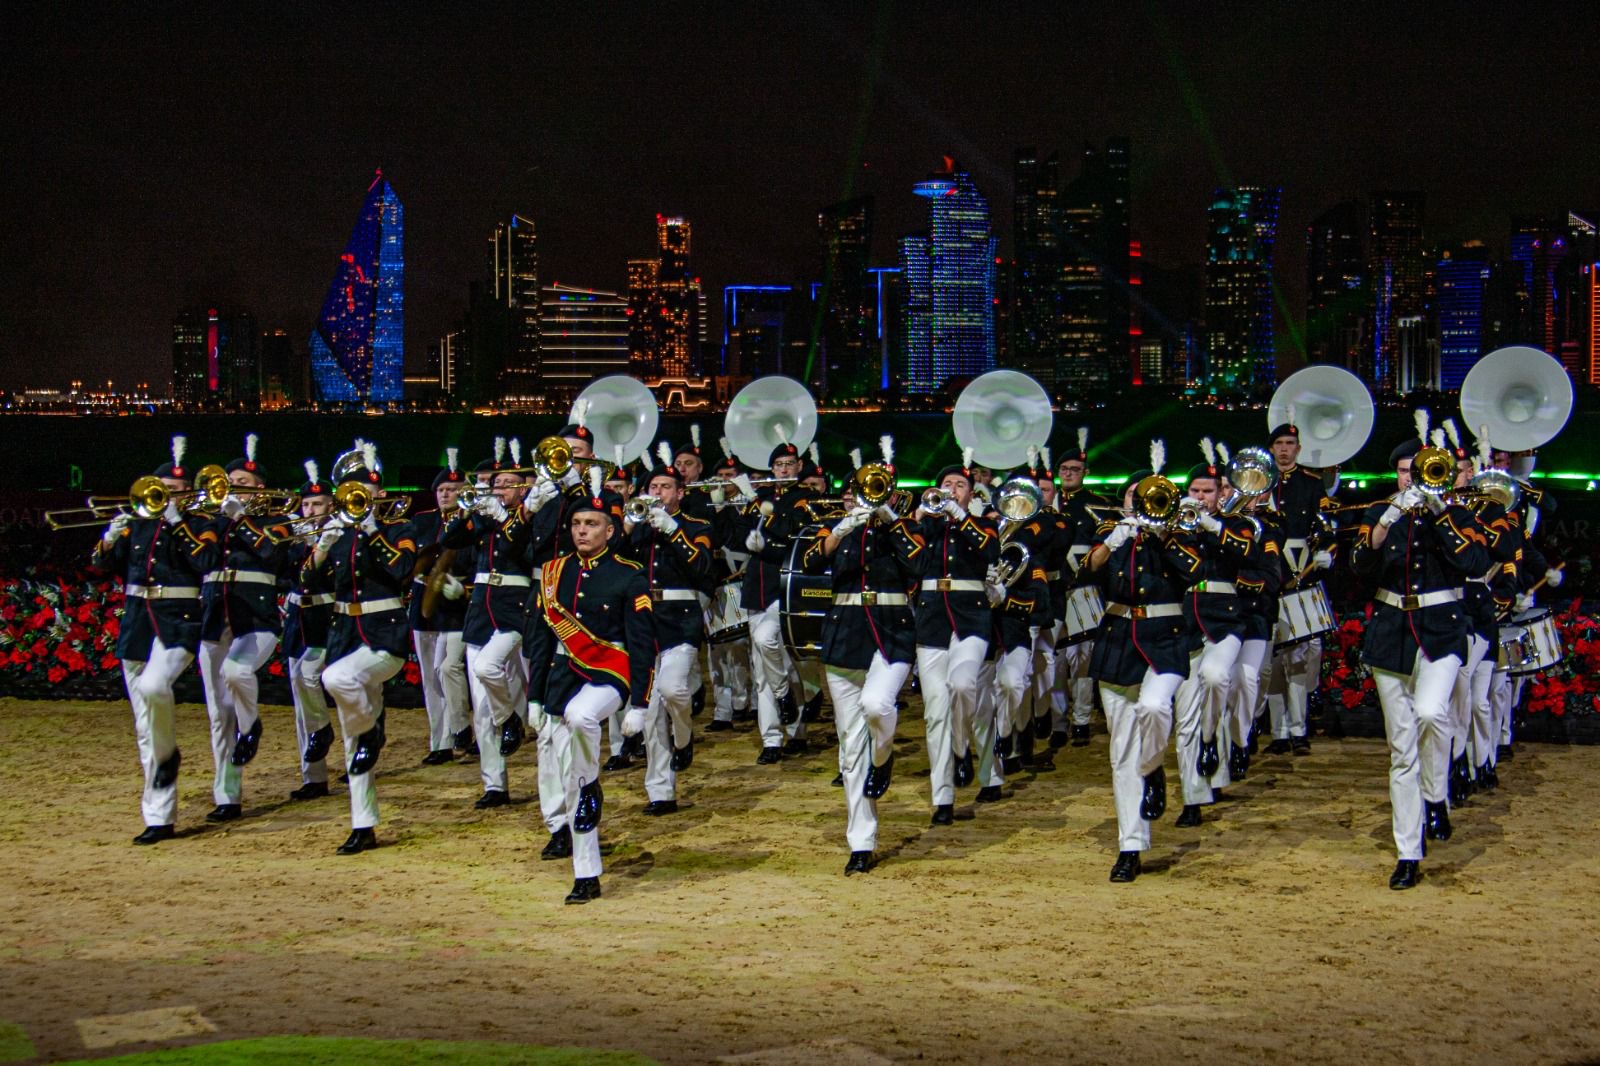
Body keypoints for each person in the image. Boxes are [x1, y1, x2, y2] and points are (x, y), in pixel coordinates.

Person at [1350, 429, 1492, 890]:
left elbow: (1475, 563)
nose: (1411, 478)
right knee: (1401, 749)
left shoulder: (1457, 514)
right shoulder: (1379, 512)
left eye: (1420, 471)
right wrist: (1388, 518)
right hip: (1391, 633)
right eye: (1405, 472)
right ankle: (1408, 852)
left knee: (1431, 713)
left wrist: (1439, 513)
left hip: (1442, 629)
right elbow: (1359, 565)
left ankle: (1435, 794)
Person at [526, 470, 656, 903]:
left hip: (609, 674)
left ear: (610, 531)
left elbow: (642, 644)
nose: (583, 530)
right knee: (570, 777)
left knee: (582, 716)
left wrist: (640, 703)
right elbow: (542, 641)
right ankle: (586, 873)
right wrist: (535, 696)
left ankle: (589, 782)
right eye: (578, 524)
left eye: (592, 524)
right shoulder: (553, 573)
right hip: (563, 677)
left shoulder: (629, 575)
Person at [1084, 444, 1205, 883]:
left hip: (1165, 640)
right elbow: (1087, 569)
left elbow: (1195, 571)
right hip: (1117, 641)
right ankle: (1130, 846)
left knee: (1154, 708)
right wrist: (1114, 539)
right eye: (1136, 496)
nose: (1143, 503)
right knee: (1121, 751)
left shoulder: (1180, 533)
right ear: (1126, 500)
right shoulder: (1111, 530)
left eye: (1150, 496)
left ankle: (1153, 768)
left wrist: (1163, 535)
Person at [802, 446, 924, 873]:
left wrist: (889, 519)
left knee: (877, 705)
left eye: (874, 490)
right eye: (857, 491)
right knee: (851, 744)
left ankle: (884, 755)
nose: (864, 497)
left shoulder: (904, 527)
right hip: (844, 634)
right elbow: (810, 561)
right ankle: (861, 841)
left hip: (892, 632)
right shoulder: (839, 528)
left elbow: (919, 565)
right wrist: (841, 528)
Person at [95, 436, 221, 844]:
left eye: (178, 491)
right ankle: (159, 816)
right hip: (137, 623)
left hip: (176, 621)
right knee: (143, 727)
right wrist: (109, 538)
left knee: (154, 686)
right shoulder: (136, 523)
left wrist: (176, 521)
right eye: (165, 490)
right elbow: (103, 565)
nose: (170, 496)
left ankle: (168, 756)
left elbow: (204, 562)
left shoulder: (199, 524)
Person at [305, 447, 416, 854]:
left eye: (365, 491)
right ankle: (362, 822)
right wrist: (321, 547)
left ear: (379, 492)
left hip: (384, 634)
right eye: (351, 492)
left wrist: (371, 531)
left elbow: (402, 570)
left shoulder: (398, 527)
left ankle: (372, 729)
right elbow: (305, 581)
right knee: (353, 737)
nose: (358, 499)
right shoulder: (336, 531)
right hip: (344, 634)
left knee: (336, 679)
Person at [195, 433, 287, 823]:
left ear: (260, 490)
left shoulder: (277, 521)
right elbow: (198, 561)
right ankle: (227, 797)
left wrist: (241, 520)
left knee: (238, 672)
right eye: (229, 483)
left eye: (242, 484)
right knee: (219, 713)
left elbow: (272, 554)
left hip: (257, 619)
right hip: (216, 618)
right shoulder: (211, 523)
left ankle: (251, 726)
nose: (232, 489)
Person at [619, 446, 715, 815]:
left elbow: (701, 567)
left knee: (674, 689)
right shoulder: (637, 529)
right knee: (650, 707)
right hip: (643, 619)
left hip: (680, 616)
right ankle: (661, 791)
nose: (658, 492)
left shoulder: (696, 526)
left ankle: (684, 736)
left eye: (665, 487)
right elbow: (615, 559)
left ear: (680, 492)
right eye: (653, 487)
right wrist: (629, 525)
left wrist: (672, 530)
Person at [1171, 443, 1261, 827]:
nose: (1200, 497)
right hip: (1184, 627)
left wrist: (1212, 526)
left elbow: (1247, 553)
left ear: (1221, 492)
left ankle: (1212, 742)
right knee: (1185, 715)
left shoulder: (1237, 524)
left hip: (1226, 623)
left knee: (1215, 677)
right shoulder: (1176, 525)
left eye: (1207, 491)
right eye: (1194, 491)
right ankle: (1192, 797)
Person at [442, 440, 535, 810]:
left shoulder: (529, 517)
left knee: (487, 667)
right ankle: (495, 785)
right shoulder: (483, 518)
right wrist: (470, 511)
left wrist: (502, 517)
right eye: (497, 484)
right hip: (481, 607)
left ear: (523, 488)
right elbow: (449, 540)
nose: (501, 490)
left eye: (509, 484)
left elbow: (524, 553)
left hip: (514, 606)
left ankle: (510, 717)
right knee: (480, 705)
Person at [913, 452, 1000, 825]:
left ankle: (962, 746)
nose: (951, 490)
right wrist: (916, 518)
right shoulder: (925, 526)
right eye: (945, 485)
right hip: (931, 617)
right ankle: (943, 797)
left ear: (971, 493)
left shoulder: (983, 523)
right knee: (935, 711)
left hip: (971, 616)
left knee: (963, 685)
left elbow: (990, 551)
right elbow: (908, 561)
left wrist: (961, 517)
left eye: (959, 485)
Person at [736, 441, 813, 763]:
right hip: (758, 587)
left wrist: (762, 527)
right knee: (762, 667)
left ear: (798, 467)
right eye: (778, 464)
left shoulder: (805, 497)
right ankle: (772, 739)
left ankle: (794, 723)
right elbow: (735, 533)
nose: (783, 469)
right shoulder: (762, 496)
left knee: (782, 657)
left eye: (789, 464)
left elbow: (792, 532)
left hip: (788, 587)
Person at [1263, 421, 1335, 754]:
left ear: (1298, 448)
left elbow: (1326, 528)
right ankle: (1279, 733)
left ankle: (1299, 729)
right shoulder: (1260, 483)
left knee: (1303, 656)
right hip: (1269, 572)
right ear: (1271, 448)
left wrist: (1325, 552)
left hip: (1303, 572)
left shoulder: (1311, 483)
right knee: (1274, 659)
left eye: (1289, 443)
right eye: (1279, 443)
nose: (1284, 449)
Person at [410, 449, 473, 765]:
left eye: (452, 489)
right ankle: (440, 741)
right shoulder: (422, 521)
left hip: (456, 606)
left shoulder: (470, 524)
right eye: (441, 490)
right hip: (425, 606)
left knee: (447, 669)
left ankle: (461, 730)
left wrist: (462, 588)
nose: (445, 494)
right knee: (430, 678)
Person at [282, 460, 337, 800]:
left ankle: (324, 730)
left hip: (325, 615)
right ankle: (313, 777)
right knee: (299, 694)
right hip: (296, 618)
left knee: (309, 676)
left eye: (318, 504)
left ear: (330, 506)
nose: (311, 510)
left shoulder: (338, 534)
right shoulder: (293, 536)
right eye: (306, 504)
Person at [1052, 429, 1109, 748]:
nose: (1069, 474)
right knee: (1056, 662)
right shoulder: (1049, 503)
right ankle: (1058, 723)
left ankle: (1082, 720)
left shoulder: (1097, 505)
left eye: (1075, 469)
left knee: (1083, 661)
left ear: (1085, 472)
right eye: (1064, 469)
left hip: (1084, 589)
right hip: (1054, 590)